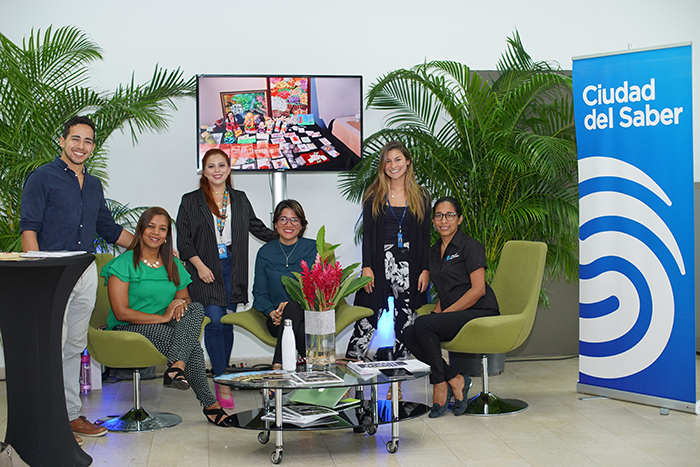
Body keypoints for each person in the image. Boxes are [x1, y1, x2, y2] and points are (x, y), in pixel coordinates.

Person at [19, 115, 134, 445]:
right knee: (51, 346)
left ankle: (69, 416)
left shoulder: (94, 185)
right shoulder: (42, 177)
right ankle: (48, 421)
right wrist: (37, 274)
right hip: (51, 270)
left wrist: (151, 244)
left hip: (84, 270)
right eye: (75, 139)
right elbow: (29, 229)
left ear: (93, 147)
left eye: (87, 141)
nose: (81, 146)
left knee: (73, 346)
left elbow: (108, 229)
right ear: (63, 141)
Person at [101, 207, 237, 427]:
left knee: (196, 308)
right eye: (151, 226)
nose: (156, 232)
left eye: (162, 229)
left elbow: (185, 299)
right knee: (192, 346)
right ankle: (209, 404)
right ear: (141, 230)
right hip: (127, 326)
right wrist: (164, 318)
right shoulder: (123, 263)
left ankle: (177, 367)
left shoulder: (172, 264)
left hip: (165, 324)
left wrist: (179, 305)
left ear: (167, 236)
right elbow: (121, 312)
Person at [176, 148, 275, 408]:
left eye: (221, 165)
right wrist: (199, 266)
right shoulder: (190, 200)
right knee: (215, 321)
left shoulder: (239, 198)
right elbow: (183, 240)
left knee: (227, 322)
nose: (217, 170)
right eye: (211, 166)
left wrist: (285, 237)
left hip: (233, 266)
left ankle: (224, 374)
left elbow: (256, 227)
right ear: (204, 171)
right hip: (204, 267)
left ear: (229, 169)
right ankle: (221, 379)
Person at [345, 141, 431, 399]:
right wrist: (367, 267)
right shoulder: (374, 194)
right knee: (365, 323)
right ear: (383, 166)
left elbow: (425, 236)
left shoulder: (422, 196)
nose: (393, 165)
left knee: (405, 325)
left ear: (408, 162)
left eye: (398, 159)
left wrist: (425, 269)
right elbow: (368, 235)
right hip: (379, 266)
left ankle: (397, 385)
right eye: (388, 161)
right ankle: (348, 384)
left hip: (410, 268)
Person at [399, 197, 499, 417]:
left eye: (449, 215)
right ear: (434, 220)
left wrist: (443, 316)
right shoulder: (434, 251)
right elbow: (446, 291)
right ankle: (454, 378)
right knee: (408, 332)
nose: (444, 220)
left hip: (481, 311)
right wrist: (437, 316)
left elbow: (478, 290)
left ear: (459, 219)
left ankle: (439, 383)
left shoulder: (470, 246)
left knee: (424, 325)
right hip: (456, 313)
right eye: (439, 216)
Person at [252, 200, 317, 369]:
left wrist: (289, 305)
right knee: (296, 326)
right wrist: (273, 313)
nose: (289, 224)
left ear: (302, 225)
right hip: (277, 321)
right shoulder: (265, 252)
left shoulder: (312, 248)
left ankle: (278, 365)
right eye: (283, 219)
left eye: (294, 220)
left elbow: (317, 289)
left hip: (307, 315)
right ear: (275, 223)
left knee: (293, 307)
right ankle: (316, 366)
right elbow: (260, 294)